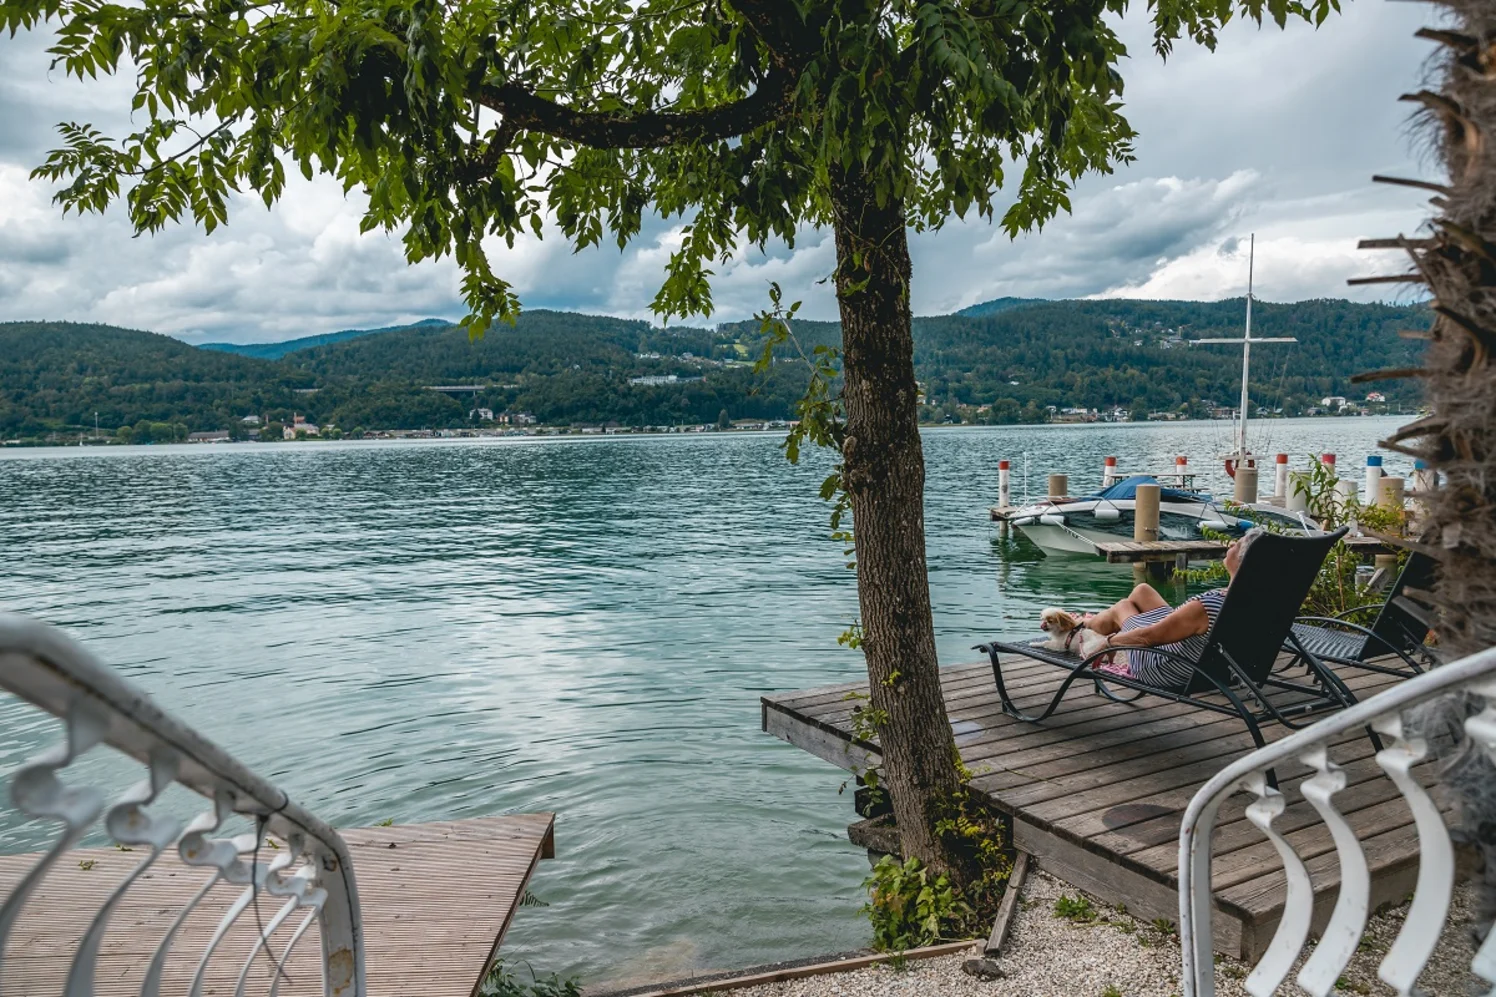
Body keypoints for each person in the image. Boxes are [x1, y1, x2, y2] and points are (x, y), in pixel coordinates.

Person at [1084, 527, 1266, 690]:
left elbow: (1147, 638)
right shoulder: (1258, 601)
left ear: (1244, 561)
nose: (1232, 544)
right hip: (1224, 669)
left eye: (1237, 544)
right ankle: (1087, 623)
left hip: (1162, 668)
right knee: (1142, 591)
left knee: (1123, 606)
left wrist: (1109, 643)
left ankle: (1085, 626)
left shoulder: (1208, 607)